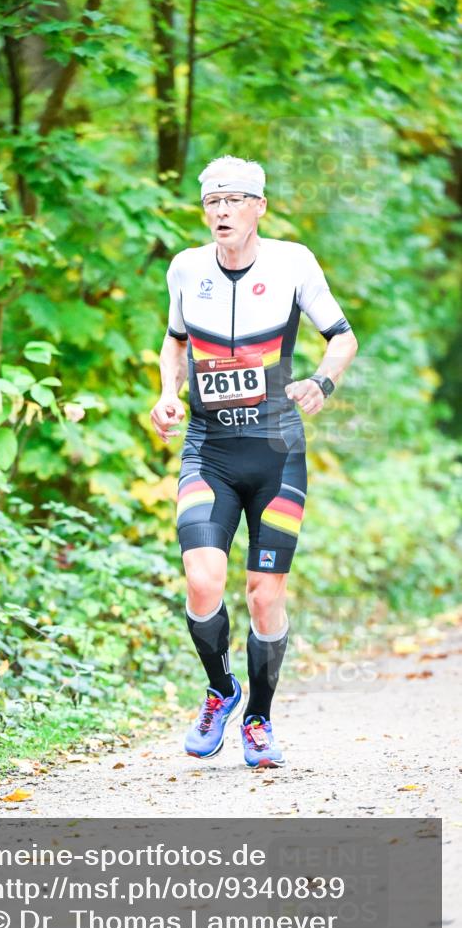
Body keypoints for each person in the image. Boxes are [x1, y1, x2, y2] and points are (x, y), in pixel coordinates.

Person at [150, 155, 358, 768]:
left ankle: (260, 720)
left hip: (277, 453)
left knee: (265, 595)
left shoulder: (293, 263)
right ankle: (221, 690)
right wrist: (167, 394)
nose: (222, 211)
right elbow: (175, 340)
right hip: (208, 450)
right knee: (201, 580)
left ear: (259, 207)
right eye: (213, 201)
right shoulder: (186, 269)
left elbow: (342, 336)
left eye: (235, 200)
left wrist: (323, 380)